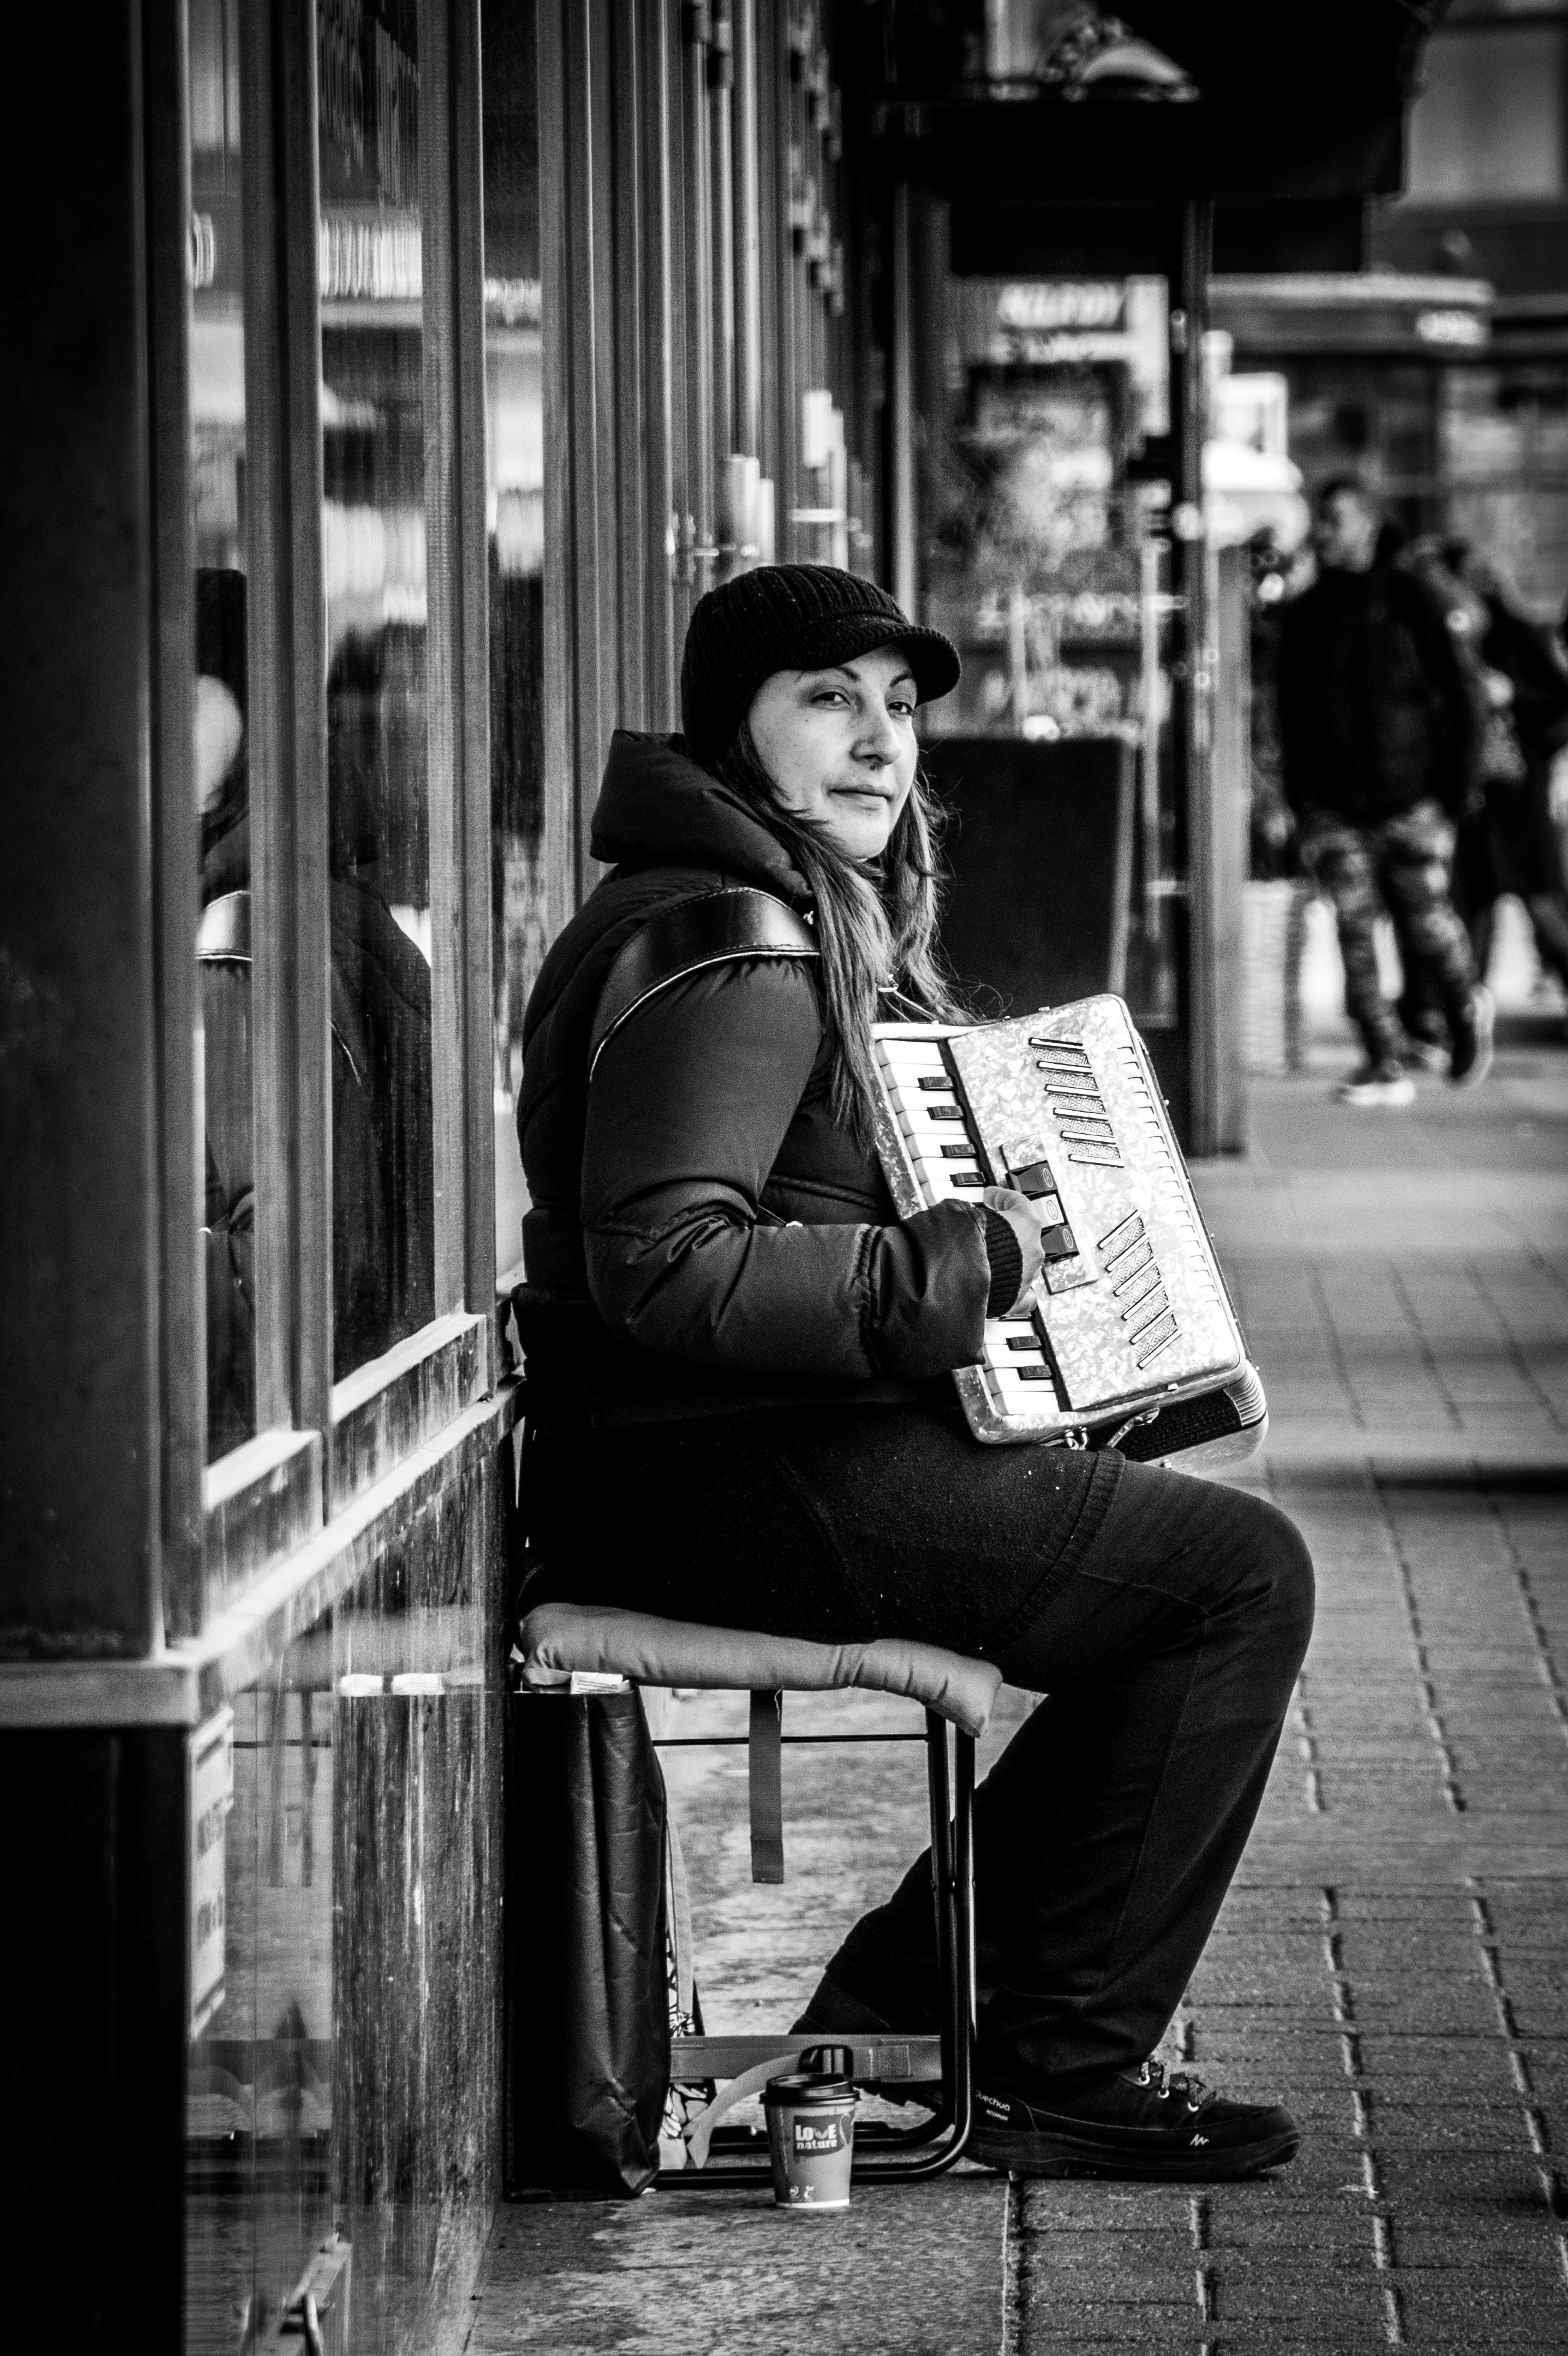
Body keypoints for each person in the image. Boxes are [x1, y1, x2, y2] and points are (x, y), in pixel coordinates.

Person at [513, 563, 1315, 2182]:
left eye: (897, 707)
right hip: (714, 1469)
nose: (879, 741)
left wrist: (1068, 1361)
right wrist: (981, 1265)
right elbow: (669, 1268)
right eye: (829, 700)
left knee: (1188, 1570)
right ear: (732, 729)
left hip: (726, 1451)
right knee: (1232, 1579)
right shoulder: (731, 937)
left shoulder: (760, 907)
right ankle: (1034, 2052)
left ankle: (943, 2019)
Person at [1276, 478, 1492, 1106]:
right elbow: (1290, 713)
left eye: (1334, 518)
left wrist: (1453, 794)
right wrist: (1301, 800)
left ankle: (1462, 1007)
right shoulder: (1306, 611)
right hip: (1335, 806)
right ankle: (1381, 1058)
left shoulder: (1414, 596)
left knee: (1428, 925)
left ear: (1369, 524)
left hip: (1413, 799)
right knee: (1354, 932)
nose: (1322, 530)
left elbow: (1465, 694)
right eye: (1319, 518)